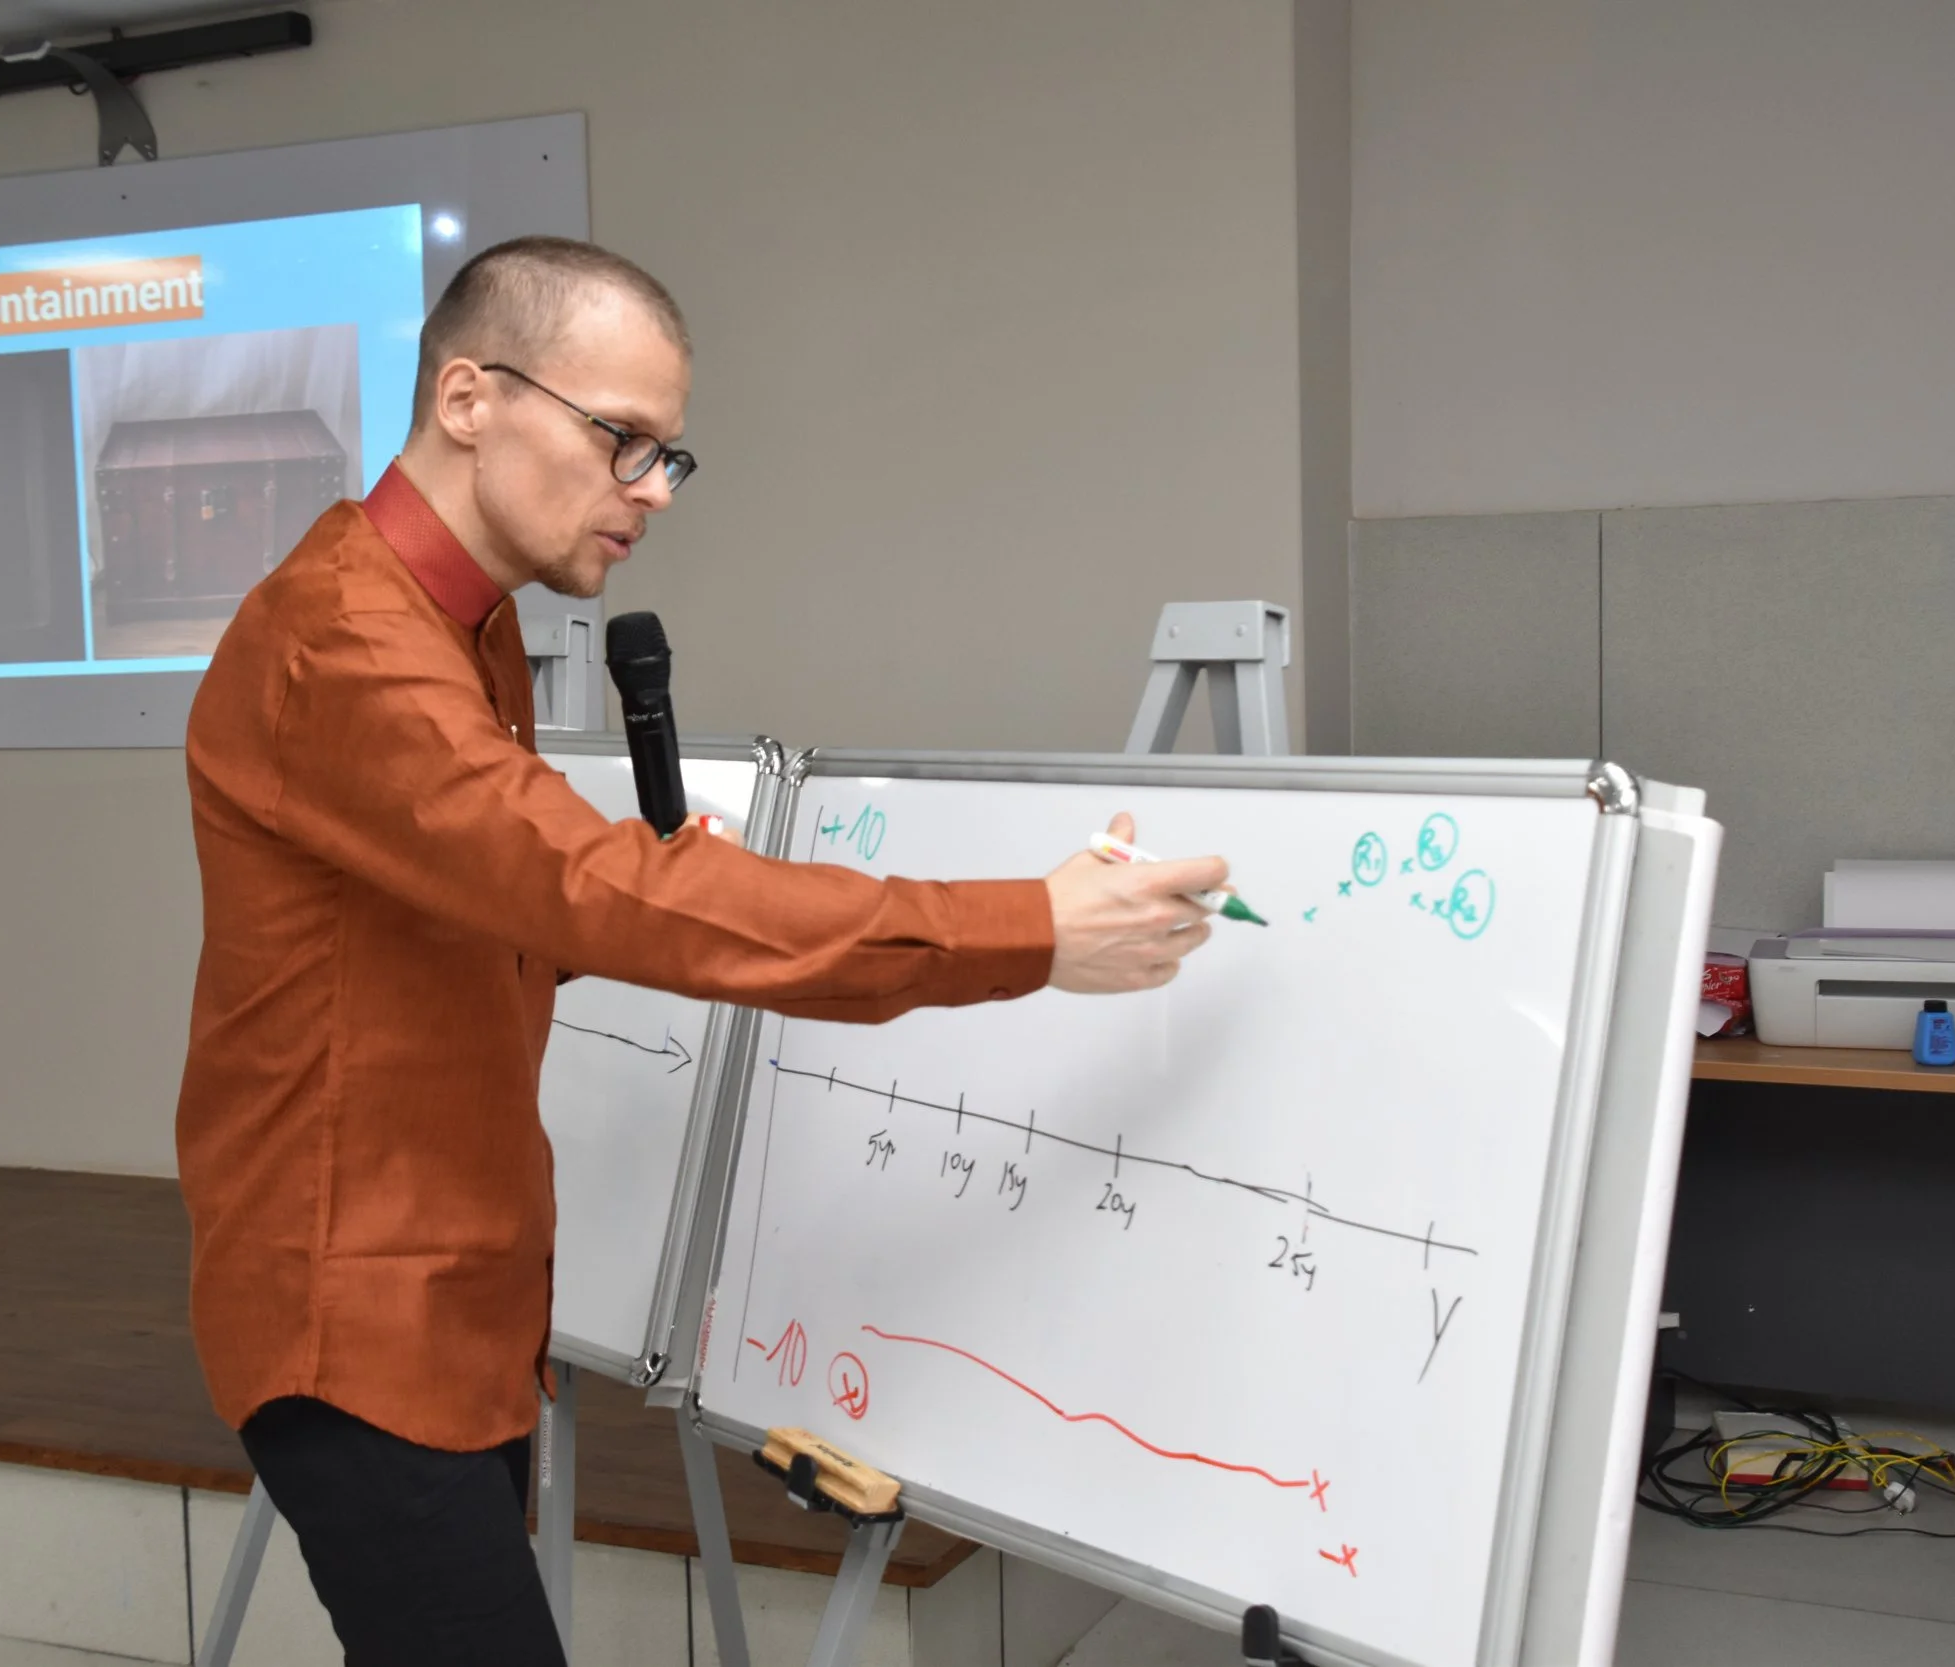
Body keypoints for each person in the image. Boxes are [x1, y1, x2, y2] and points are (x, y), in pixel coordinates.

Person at [176, 236, 1226, 1665]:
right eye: (622, 440)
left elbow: (490, 915)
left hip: (462, 1300)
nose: (652, 492)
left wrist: (675, 890)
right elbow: (588, 890)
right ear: (470, 398)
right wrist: (1030, 927)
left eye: (669, 455)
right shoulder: (344, 642)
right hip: (355, 1322)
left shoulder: (463, 623)